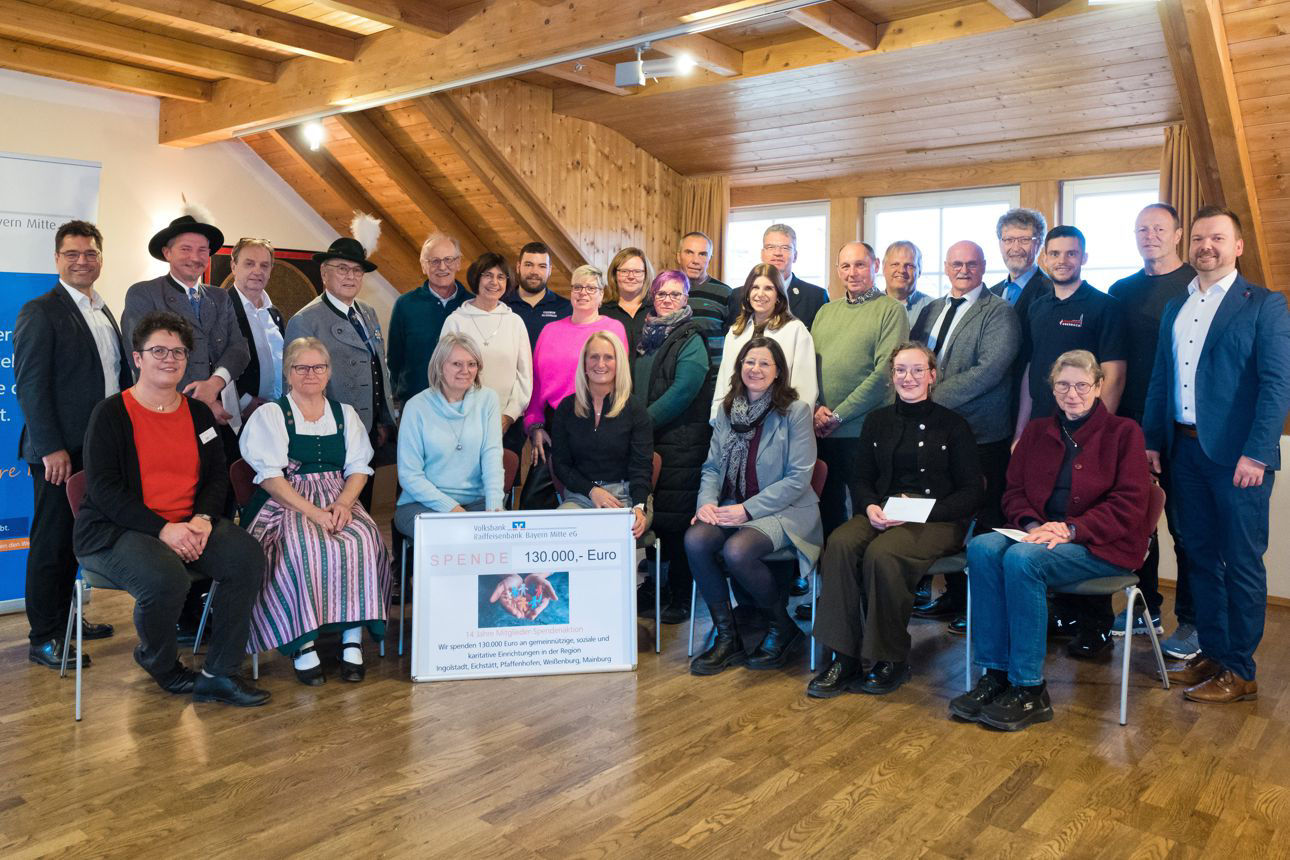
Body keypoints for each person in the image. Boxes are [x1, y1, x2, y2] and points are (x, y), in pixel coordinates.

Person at [74, 311, 270, 707]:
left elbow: (217, 477)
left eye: (178, 352)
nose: (170, 358)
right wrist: (164, 529)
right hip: (119, 530)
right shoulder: (111, 414)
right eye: (158, 350)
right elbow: (104, 489)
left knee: (246, 557)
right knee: (167, 579)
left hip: (190, 523)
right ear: (138, 358)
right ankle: (159, 661)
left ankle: (220, 673)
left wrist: (200, 520)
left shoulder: (199, 413)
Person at [953, 350, 1151, 730]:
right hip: (1040, 535)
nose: (1071, 393)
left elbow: (1129, 504)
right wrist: (1030, 525)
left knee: (1022, 561)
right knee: (981, 547)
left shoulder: (1123, 432)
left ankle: (1029, 690)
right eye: (1063, 384)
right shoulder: (1036, 431)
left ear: (1097, 386)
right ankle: (995, 674)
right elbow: (1013, 492)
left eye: (1081, 385)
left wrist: (1070, 529)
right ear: (1052, 388)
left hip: (1101, 546)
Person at [1145, 206, 1290, 704]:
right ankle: (1212, 651)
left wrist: (1257, 453)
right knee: (1199, 559)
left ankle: (1240, 671)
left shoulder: (1264, 304)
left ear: (1238, 246)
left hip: (1238, 461)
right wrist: (1150, 441)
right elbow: (1162, 380)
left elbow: (1277, 385)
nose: (1207, 246)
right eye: (1200, 238)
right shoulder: (1176, 307)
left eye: (1218, 239)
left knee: (1242, 563)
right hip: (1183, 453)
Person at [808, 343, 982, 697]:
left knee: (883, 554)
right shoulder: (877, 421)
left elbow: (971, 492)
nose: (909, 377)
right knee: (839, 544)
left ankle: (890, 658)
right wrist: (869, 505)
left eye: (918, 370)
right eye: (901, 370)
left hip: (939, 519)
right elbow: (860, 478)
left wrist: (924, 510)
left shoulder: (954, 426)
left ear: (933, 375)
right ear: (891, 377)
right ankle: (844, 657)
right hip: (883, 511)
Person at [239, 337, 391, 685]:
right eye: (301, 367)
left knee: (363, 539)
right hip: (287, 499)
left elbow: (357, 468)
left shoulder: (345, 414)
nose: (310, 374)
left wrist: (343, 504)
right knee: (304, 544)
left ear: (328, 372)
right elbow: (271, 479)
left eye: (318, 367)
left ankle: (352, 637)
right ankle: (303, 641)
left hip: (339, 496)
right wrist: (313, 512)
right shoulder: (272, 414)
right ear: (288, 373)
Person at [15, 220, 131, 669]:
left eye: (90, 253)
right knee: (52, 543)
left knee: (81, 539)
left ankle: (68, 620)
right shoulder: (40, 310)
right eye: (72, 254)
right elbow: (30, 386)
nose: (82, 260)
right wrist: (51, 448)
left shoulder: (104, 310)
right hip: (60, 453)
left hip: (98, 449)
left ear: (101, 257)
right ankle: (44, 636)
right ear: (57, 259)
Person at [1014, 225, 1129, 658]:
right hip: (1043, 434)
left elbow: (1113, 373)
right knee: (1049, 514)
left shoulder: (1103, 307)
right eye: (1056, 253)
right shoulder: (1038, 307)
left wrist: (1102, 433)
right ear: (1045, 257)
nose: (1063, 260)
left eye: (1071, 253)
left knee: (1083, 514)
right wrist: (1023, 429)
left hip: (1089, 434)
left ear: (1083, 257)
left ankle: (1095, 626)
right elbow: (1030, 370)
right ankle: (1059, 616)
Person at [685, 337, 821, 674]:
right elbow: (713, 467)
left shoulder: (795, 412)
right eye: (749, 362)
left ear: (778, 372)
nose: (755, 369)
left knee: (737, 551)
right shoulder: (728, 409)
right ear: (739, 367)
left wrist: (747, 511)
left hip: (786, 510)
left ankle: (781, 628)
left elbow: (798, 479)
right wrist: (706, 504)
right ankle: (727, 637)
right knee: (696, 540)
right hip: (733, 504)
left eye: (764, 363)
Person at [908, 241, 1021, 631]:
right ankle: (954, 597)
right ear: (945, 266)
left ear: (984, 266)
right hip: (939, 433)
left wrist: (926, 396)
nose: (963, 269)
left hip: (982, 434)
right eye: (956, 263)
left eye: (971, 264)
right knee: (948, 513)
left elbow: (989, 370)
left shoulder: (1000, 313)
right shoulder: (933, 309)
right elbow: (916, 360)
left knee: (985, 519)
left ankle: (981, 606)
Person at [1107, 204, 1195, 652]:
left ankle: (1192, 621)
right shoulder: (1120, 290)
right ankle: (1145, 608)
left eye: (1159, 228)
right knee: (1136, 522)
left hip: (1178, 425)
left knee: (1183, 524)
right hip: (1128, 423)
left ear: (1177, 234)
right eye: (1142, 229)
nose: (1150, 235)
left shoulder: (1196, 286)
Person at [285, 235, 396, 515]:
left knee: (363, 502)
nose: (350, 276)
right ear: (324, 273)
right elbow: (297, 384)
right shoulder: (305, 320)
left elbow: (377, 367)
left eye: (356, 271)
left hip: (368, 428)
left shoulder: (367, 313)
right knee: (335, 504)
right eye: (342, 269)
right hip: (330, 430)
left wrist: (382, 418)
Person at [809, 241, 908, 540]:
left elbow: (884, 375)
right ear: (838, 271)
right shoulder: (825, 312)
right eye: (846, 266)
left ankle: (864, 585)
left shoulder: (890, 310)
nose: (853, 272)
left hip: (864, 432)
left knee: (865, 516)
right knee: (826, 512)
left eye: (860, 265)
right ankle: (831, 582)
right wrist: (815, 409)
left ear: (875, 266)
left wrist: (838, 415)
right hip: (822, 431)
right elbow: (808, 367)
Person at [633, 270, 714, 623]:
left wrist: (639, 425)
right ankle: (654, 588)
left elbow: (682, 392)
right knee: (655, 515)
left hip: (682, 442)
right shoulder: (645, 336)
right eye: (661, 293)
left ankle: (681, 594)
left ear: (686, 300)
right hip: (650, 439)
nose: (667, 299)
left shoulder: (692, 338)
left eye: (675, 294)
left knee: (679, 520)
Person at [122, 212, 249, 428]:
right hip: (164, 413)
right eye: (185, 249)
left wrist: (214, 385)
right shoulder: (144, 294)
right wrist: (200, 403)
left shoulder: (220, 297)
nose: (195, 257)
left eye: (202, 250)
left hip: (220, 412)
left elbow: (239, 348)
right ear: (167, 252)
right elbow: (145, 360)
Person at [396, 332, 506, 531]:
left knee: (496, 538)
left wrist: (494, 508)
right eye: (457, 364)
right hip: (422, 504)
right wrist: (452, 509)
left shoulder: (488, 400)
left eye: (472, 364)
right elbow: (409, 475)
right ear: (439, 366)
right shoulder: (416, 407)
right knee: (452, 535)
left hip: (476, 503)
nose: (465, 370)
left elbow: (492, 457)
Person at [524, 265, 628, 471]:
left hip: (597, 422)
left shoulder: (612, 328)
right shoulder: (549, 330)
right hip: (553, 427)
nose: (583, 293)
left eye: (591, 288)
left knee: (587, 494)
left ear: (601, 295)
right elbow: (536, 383)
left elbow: (620, 379)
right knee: (534, 498)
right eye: (577, 287)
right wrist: (534, 425)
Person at [550, 332, 652, 540]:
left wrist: (640, 506)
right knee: (561, 530)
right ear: (585, 364)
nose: (601, 364)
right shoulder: (567, 408)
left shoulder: (635, 408)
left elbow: (641, 466)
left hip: (626, 496)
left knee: (613, 537)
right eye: (594, 357)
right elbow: (561, 464)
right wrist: (592, 490)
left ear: (619, 363)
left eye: (608, 357)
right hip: (581, 496)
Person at [441, 253, 532, 455]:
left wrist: (508, 415)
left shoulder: (515, 322)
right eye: (488, 275)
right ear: (477, 278)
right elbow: (443, 372)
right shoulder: (456, 321)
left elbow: (525, 377)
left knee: (500, 483)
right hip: (461, 420)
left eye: (501, 277)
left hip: (506, 423)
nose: (494, 282)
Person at [711, 264, 816, 420]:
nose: (760, 294)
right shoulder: (735, 332)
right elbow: (724, 382)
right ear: (747, 293)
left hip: (779, 420)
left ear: (778, 295)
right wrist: (717, 418)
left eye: (768, 288)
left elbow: (805, 387)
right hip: (736, 419)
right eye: (755, 287)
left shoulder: (796, 330)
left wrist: (796, 424)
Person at [387, 233, 469, 407]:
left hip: (463, 404)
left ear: (458, 263)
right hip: (415, 404)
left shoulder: (472, 305)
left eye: (448, 259)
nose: (442, 267)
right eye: (434, 261)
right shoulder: (405, 304)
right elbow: (395, 359)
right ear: (424, 266)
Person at [226, 237, 285, 417]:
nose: (257, 271)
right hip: (240, 415)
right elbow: (212, 362)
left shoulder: (274, 314)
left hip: (277, 411)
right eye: (249, 264)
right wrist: (245, 402)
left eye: (264, 266)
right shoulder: (221, 310)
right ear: (234, 266)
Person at [729, 224, 828, 330]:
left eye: (785, 248)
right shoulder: (738, 296)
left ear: (795, 255)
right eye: (770, 247)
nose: (777, 253)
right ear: (762, 254)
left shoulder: (816, 297)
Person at [676, 231, 733, 365]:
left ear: (709, 258)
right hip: (674, 377)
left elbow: (734, 339)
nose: (695, 260)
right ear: (679, 257)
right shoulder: (666, 291)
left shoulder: (725, 293)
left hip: (714, 379)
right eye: (689, 252)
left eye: (702, 254)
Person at [989, 208, 1052, 319]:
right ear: (1000, 244)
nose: (1016, 248)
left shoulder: (1052, 293)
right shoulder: (990, 294)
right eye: (1008, 240)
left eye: (1024, 240)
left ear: (1039, 243)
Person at [506, 241, 570, 350]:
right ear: (518, 267)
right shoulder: (501, 304)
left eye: (542, 266)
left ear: (549, 270)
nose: (534, 271)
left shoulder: (566, 308)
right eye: (528, 265)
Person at [600, 247, 654, 357]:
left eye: (637, 271)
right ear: (614, 275)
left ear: (646, 275)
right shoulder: (601, 312)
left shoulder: (656, 309)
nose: (631, 276)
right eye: (624, 271)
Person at [883, 241, 933, 325]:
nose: (901, 270)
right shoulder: (869, 305)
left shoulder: (933, 308)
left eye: (909, 265)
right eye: (895, 264)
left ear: (919, 271)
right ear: (883, 268)